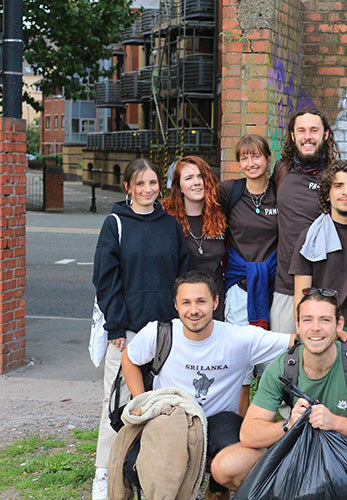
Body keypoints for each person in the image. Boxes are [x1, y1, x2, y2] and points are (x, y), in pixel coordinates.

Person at [209, 288, 347, 499]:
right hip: (297, 452)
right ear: (298, 325)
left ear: (339, 324)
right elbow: (249, 433)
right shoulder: (283, 367)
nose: (315, 328)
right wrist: (289, 424)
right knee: (225, 465)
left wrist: (335, 422)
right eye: (308, 320)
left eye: (325, 320)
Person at [119, 271, 295, 500]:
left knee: (245, 458)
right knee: (134, 466)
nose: (194, 310)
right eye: (186, 302)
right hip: (172, 420)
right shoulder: (159, 333)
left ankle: (217, 486)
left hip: (219, 423)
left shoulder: (238, 338)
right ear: (175, 305)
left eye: (201, 301)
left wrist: (340, 335)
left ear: (215, 302)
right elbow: (129, 358)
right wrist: (143, 401)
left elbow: (296, 340)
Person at [91, 158, 190, 500]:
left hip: (164, 332)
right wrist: (116, 325)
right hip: (127, 333)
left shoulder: (170, 226)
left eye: (152, 183)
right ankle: (104, 473)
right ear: (128, 188)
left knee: (161, 404)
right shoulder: (115, 224)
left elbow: (182, 275)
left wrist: (179, 321)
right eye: (141, 184)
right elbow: (105, 280)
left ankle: (151, 471)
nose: (148, 190)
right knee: (116, 403)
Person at [270, 108, 340, 334]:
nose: (307, 136)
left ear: (326, 135)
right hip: (286, 286)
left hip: (328, 286)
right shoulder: (282, 170)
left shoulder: (337, 176)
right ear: (292, 135)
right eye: (301, 130)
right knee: (285, 358)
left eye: (314, 130)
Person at [290, 160, 347, 343]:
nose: (345, 191)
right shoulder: (310, 238)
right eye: (338, 186)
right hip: (321, 333)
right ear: (327, 194)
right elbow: (301, 296)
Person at [220, 134, 277, 329]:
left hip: (275, 285)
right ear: (238, 164)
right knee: (238, 349)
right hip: (239, 285)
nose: (250, 163)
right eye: (244, 158)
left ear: (268, 159)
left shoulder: (280, 193)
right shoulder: (229, 191)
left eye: (256, 156)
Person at [163, 156, 227, 320]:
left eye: (201, 176)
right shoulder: (166, 219)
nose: (197, 182)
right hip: (182, 308)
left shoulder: (220, 216)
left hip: (215, 304)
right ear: (180, 187)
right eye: (189, 178)